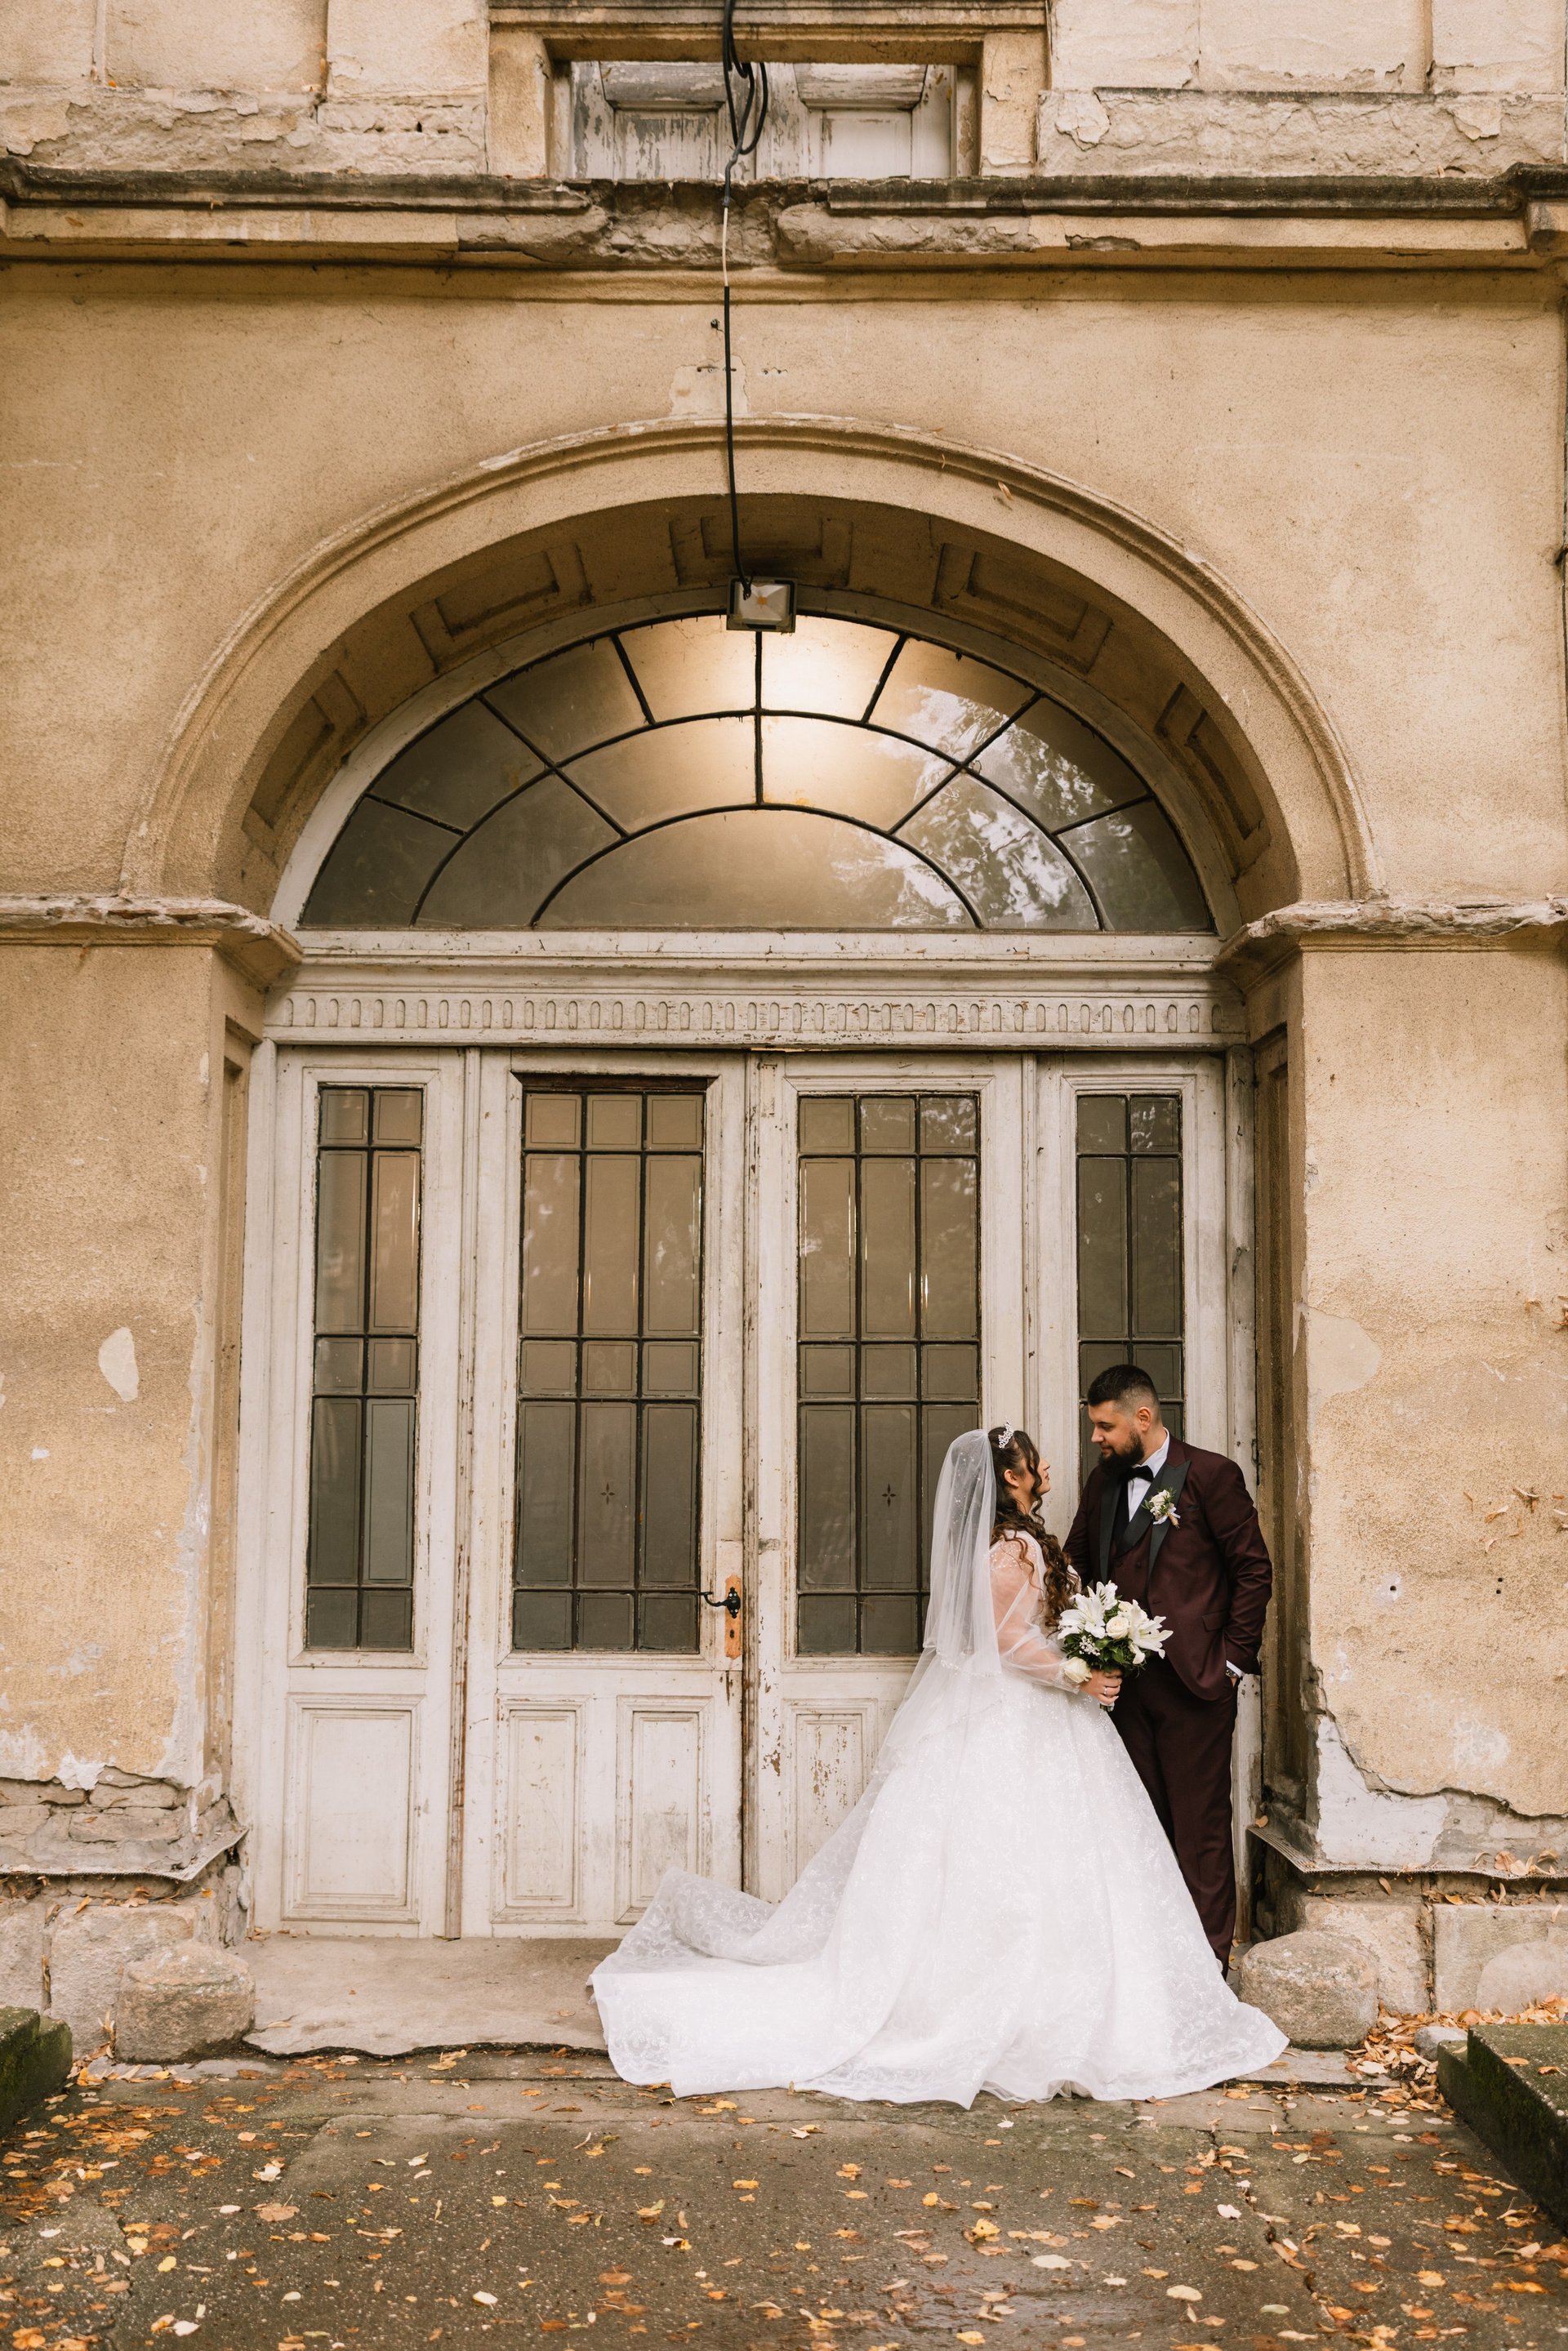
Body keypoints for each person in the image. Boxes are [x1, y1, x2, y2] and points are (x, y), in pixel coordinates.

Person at [590, 1424, 1284, 2104]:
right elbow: (1007, 1643)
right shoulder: (1011, 1550)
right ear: (1012, 1476)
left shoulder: (1022, 1539)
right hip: (1021, 1715)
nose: (1047, 1467)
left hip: (1045, 1721)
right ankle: (1005, 2006)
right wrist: (1077, 1674)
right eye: (1035, 1460)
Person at [1065, 1365, 1272, 1970]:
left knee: (1200, 1829)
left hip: (1196, 1682)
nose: (1097, 1437)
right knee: (1141, 1826)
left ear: (1143, 1417)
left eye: (1105, 1426)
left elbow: (1253, 1570)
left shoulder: (1211, 1475)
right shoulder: (1102, 1482)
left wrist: (1231, 1662)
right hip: (1122, 1688)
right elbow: (1077, 1565)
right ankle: (1154, 1965)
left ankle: (1207, 1968)